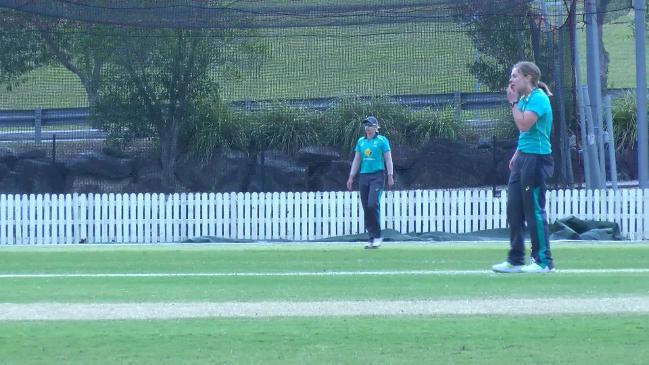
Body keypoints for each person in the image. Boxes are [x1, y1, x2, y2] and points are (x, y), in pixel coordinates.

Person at [492, 61, 555, 273]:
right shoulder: (526, 99)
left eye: (515, 76)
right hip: (524, 158)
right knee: (514, 209)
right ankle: (516, 259)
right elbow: (525, 134)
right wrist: (517, 154)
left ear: (528, 77)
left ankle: (543, 261)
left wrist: (513, 103)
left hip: (537, 160)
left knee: (533, 210)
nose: (511, 80)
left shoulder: (538, 98)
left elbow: (523, 124)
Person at [347, 116, 395, 249]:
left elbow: (388, 159)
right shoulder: (361, 142)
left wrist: (390, 175)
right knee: (366, 208)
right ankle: (372, 238)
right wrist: (351, 177)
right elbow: (357, 160)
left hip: (377, 176)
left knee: (373, 204)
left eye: (370, 125)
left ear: (376, 127)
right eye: (366, 126)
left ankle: (378, 236)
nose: (368, 128)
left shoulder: (382, 140)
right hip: (364, 176)